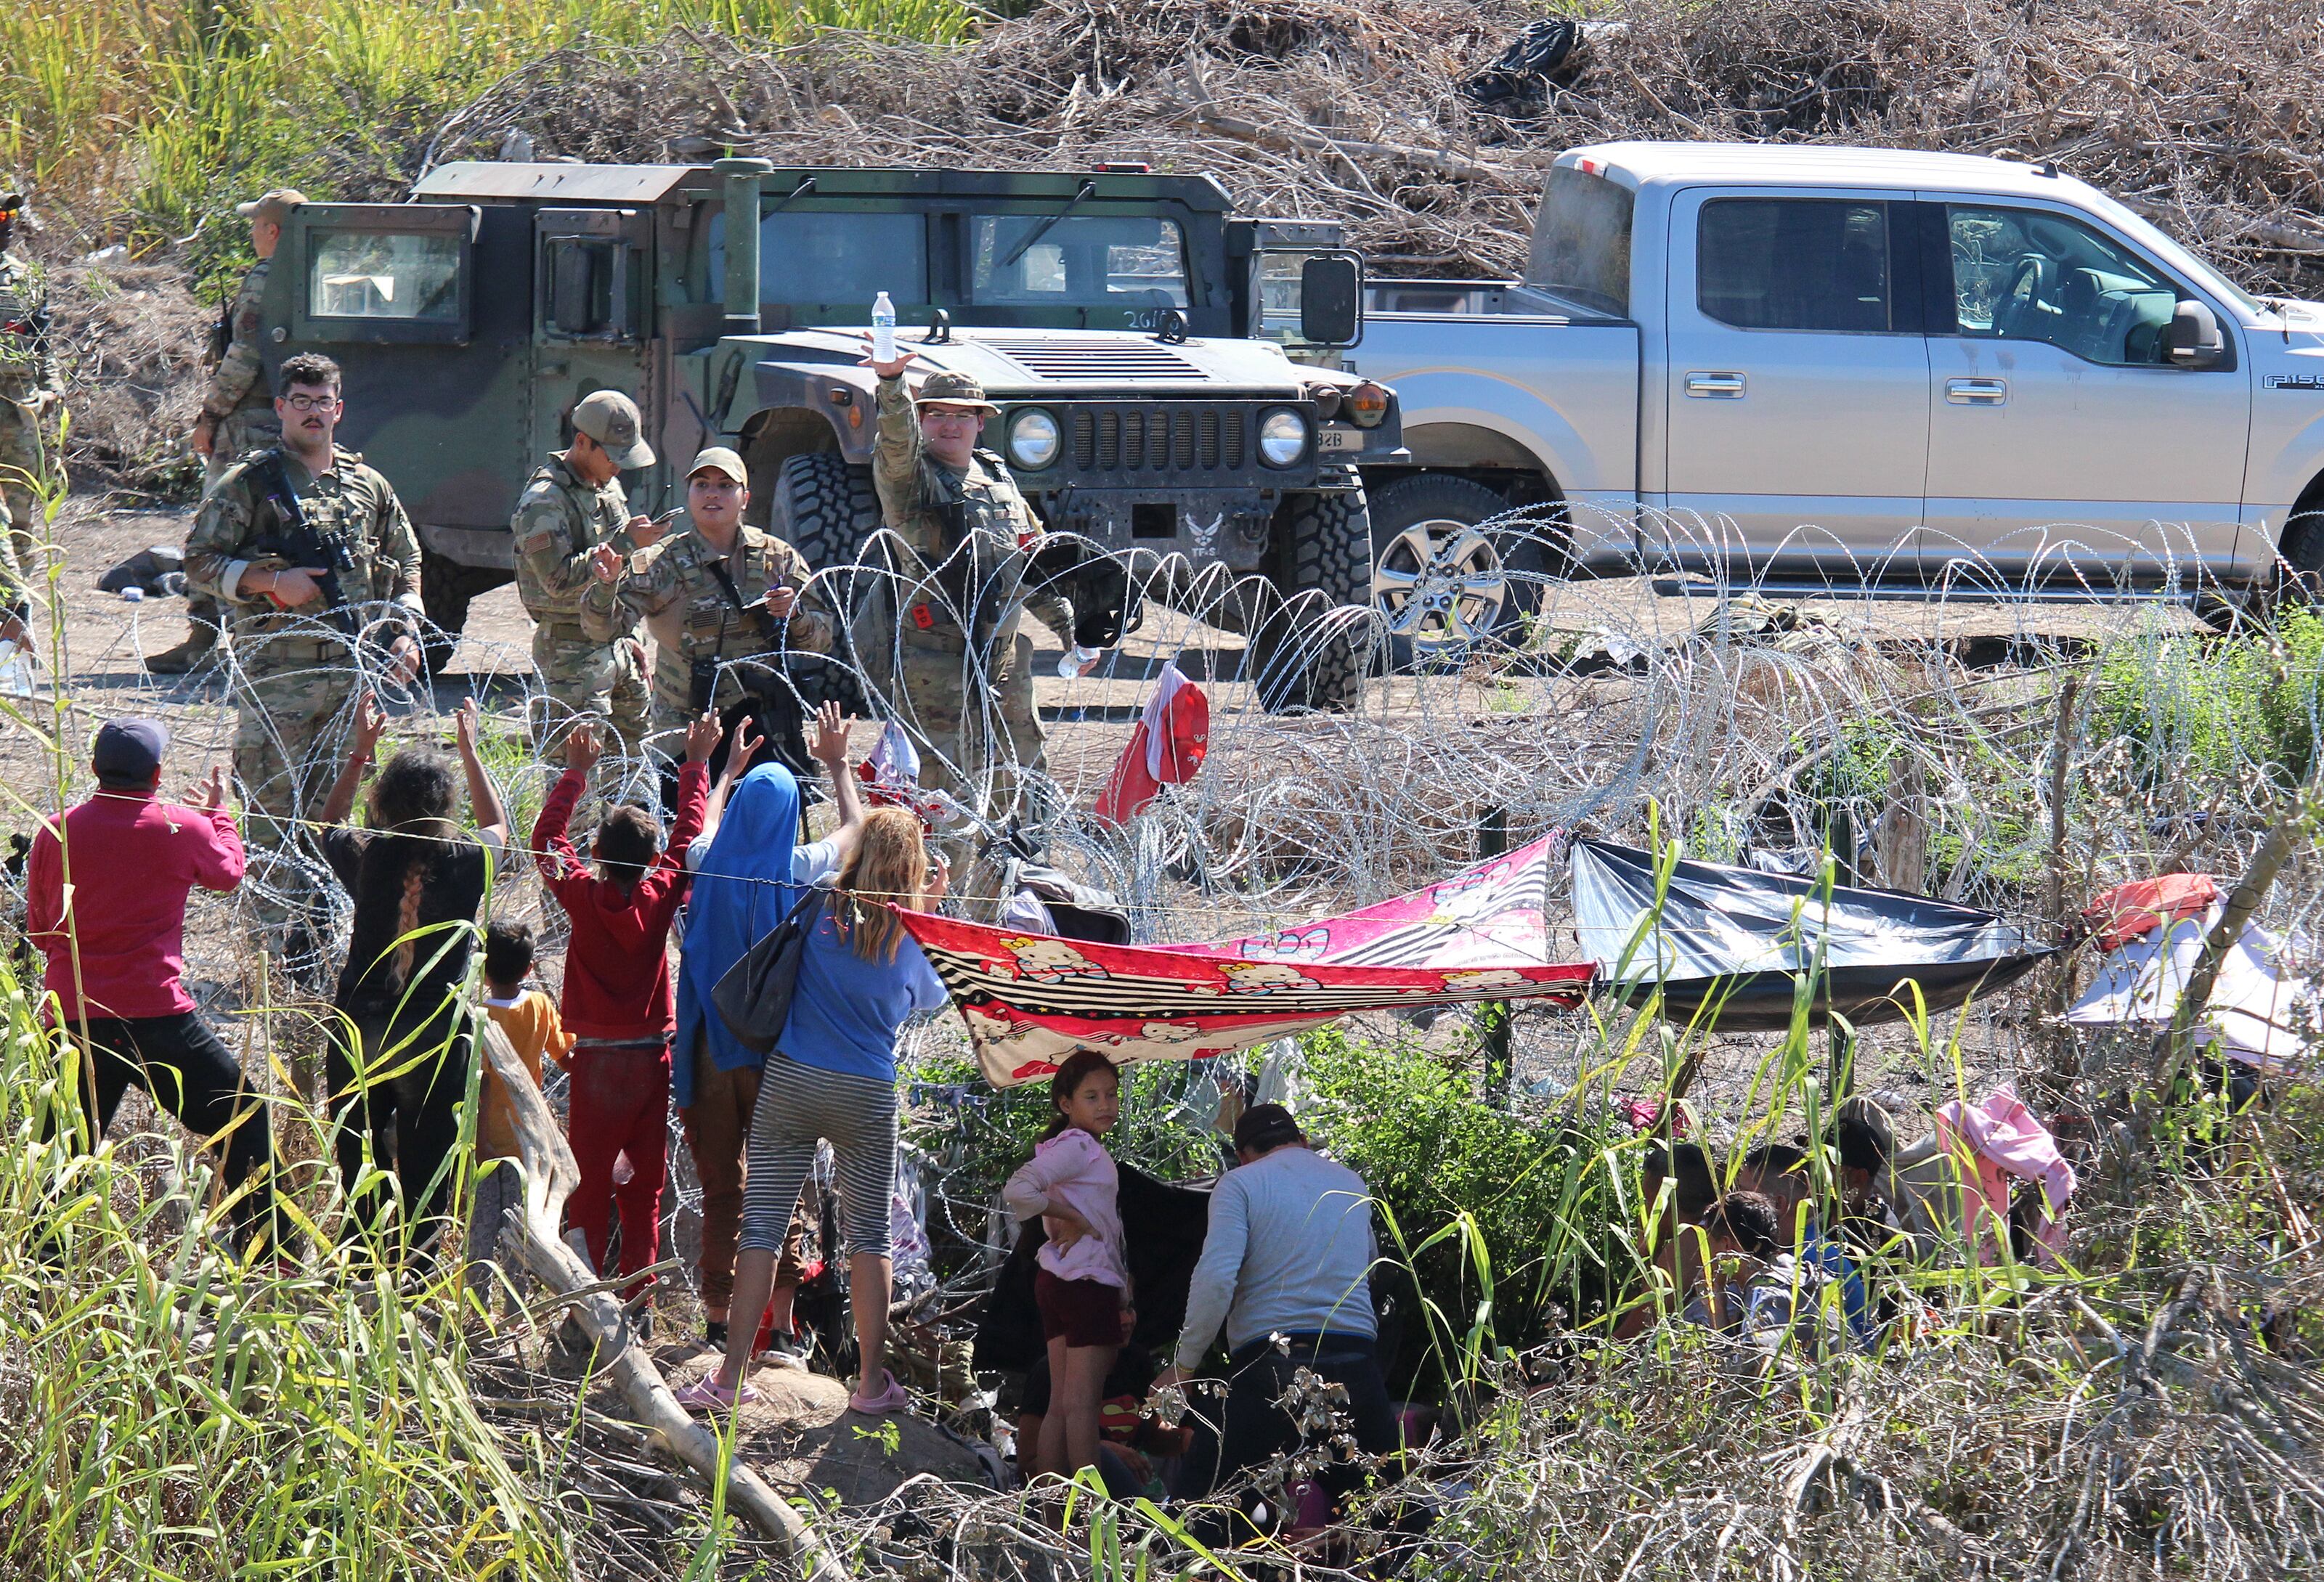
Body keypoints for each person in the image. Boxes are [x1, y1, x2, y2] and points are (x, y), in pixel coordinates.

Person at [676, 806, 949, 1414]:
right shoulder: (911, 936)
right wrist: (926, 908)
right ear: (914, 868)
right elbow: (929, 999)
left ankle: (728, 1378)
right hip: (868, 1094)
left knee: (764, 1228)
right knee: (871, 1238)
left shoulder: (820, 900)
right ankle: (872, 1383)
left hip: (793, 1081)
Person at [182, 351, 425, 954]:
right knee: (270, 824)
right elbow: (198, 558)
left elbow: (409, 562)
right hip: (277, 678)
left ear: (339, 410)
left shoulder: (369, 487)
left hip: (350, 678)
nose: (314, 413)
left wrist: (407, 629)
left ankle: (322, 947)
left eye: (324, 402)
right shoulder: (252, 482)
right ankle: (267, 956)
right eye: (302, 401)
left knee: (336, 823)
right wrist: (268, 582)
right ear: (282, 408)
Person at [24, 718, 277, 1252]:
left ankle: (44, 1274)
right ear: (158, 774)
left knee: (59, 1156)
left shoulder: (54, 830)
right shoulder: (182, 826)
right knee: (243, 1119)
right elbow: (229, 874)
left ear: (94, 769)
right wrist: (218, 816)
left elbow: (42, 929)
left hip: (75, 1020)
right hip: (158, 1020)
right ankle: (265, 1252)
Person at [858, 348, 1103, 895]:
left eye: (961, 415)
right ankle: (934, 901)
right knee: (942, 786)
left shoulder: (999, 482)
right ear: (922, 421)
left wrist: (1072, 632)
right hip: (935, 660)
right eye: (937, 414)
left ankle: (1004, 899)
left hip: (1003, 662)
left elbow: (1033, 565)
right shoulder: (911, 481)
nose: (949, 424)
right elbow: (895, 447)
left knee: (1014, 781)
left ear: (980, 422)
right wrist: (893, 383)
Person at [667, 710, 866, 1347]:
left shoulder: (706, 861)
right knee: (778, 1185)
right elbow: (857, 829)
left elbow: (707, 825)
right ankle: (780, 1324)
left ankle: (718, 1319)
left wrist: (723, 772)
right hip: (772, 1054)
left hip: (704, 1050)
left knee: (725, 1188)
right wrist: (837, 765)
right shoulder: (799, 866)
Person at [529, 708, 720, 1308]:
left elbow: (545, 842)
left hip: (595, 1064)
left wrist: (574, 775)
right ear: (651, 857)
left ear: (595, 851)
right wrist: (696, 767)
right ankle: (638, 1298)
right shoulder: (662, 891)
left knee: (586, 1183)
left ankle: (582, 1296)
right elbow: (688, 838)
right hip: (648, 1060)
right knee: (644, 1187)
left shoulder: (581, 894)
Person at [315, 693, 511, 1258]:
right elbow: (497, 823)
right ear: (447, 805)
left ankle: (359, 1270)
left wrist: (359, 754)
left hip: (360, 1027)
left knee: (361, 1157)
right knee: (429, 1163)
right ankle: (419, 1274)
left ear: (382, 805)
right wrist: (471, 752)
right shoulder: (470, 859)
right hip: (434, 1032)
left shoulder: (367, 853)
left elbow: (327, 821)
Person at [1152, 1103, 1400, 1538]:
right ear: (1302, 1141)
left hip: (1270, 1364)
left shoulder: (1240, 1183)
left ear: (1244, 1153)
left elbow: (1215, 1279)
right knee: (1388, 1516)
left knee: (1206, 1510)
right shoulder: (1350, 1182)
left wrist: (1184, 1365)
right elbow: (1369, 1266)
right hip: (1356, 1363)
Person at [584, 445, 834, 804]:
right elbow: (601, 630)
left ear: (744, 498)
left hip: (763, 729)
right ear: (688, 494)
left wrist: (796, 614)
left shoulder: (777, 558)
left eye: (724, 485)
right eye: (701, 484)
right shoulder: (660, 564)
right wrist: (606, 588)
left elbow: (822, 640)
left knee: (763, 832)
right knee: (685, 838)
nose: (712, 493)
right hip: (686, 734)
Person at [155, 187, 304, 675]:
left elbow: (243, 357)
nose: (252, 232)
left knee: (216, 521)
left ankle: (202, 638)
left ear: (273, 231)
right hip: (293, 419)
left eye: (257, 224)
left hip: (249, 418)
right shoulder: (316, 275)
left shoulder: (267, 279)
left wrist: (211, 415)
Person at [1004, 1049, 1130, 1482]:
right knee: (1081, 1405)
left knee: (1061, 1402)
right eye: (1091, 1097)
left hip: (1059, 1279)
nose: (1106, 1105)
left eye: (1111, 1094)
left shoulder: (1068, 1147)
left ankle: (1053, 1515)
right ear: (1066, 1104)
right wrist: (1075, 1218)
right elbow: (1019, 1188)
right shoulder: (1079, 1147)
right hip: (1084, 1283)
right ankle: (1091, 1518)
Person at [511, 390, 657, 758]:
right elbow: (556, 582)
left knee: (631, 774)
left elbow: (621, 575)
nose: (620, 467)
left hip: (616, 644)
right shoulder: (544, 501)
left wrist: (632, 633)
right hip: (569, 656)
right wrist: (624, 544)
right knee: (572, 782)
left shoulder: (607, 487)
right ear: (582, 442)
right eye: (612, 455)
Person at [473, 918, 572, 1308]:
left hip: (483, 1140)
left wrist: (477, 1141)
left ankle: (475, 1309)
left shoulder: (476, 1015)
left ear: (482, 967)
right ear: (529, 969)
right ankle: (518, 1310)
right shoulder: (539, 1006)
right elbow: (565, 1056)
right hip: (527, 1141)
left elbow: (478, 1086)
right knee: (522, 1226)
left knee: (481, 1229)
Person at [1017, 1298, 1190, 1500]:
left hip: (1126, 1495)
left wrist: (1187, 1439)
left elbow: (1150, 1436)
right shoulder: (1049, 1374)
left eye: (1130, 1308)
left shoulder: (1136, 1360)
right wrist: (1101, 1451)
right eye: (1114, 1311)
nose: (1126, 1320)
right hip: (1074, 1500)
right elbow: (1027, 1468)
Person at [0, 188, 62, 611]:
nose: (6, 224)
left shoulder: (27, 279)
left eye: (9, 216)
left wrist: (53, 389)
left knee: (22, 511)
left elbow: (43, 344)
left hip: (18, 410)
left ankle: (16, 607)